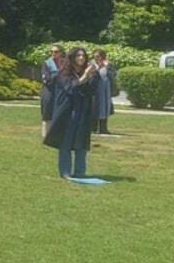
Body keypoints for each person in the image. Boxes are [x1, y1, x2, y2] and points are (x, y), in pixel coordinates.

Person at [44, 47, 99, 178]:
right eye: (78, 56)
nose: (81, 58)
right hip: (68, 111)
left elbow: (92, 90)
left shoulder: (86, 71)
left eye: (83, 56)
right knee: (66, 140)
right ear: (72, 58)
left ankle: (80, 171)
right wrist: (85, 76)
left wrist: (94, 74)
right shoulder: (63, 73)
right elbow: (70, 88)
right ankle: (65, 171)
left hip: (83, 110)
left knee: (81, 140)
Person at [92, 49, 117, 134]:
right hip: (95, 89)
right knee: (94, 107)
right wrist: (97, 68)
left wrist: (106, 67)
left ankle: (103, 128)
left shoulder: (108, 65)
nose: (96, 58)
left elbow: (113, 75)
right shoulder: (92, 64)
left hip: (106, 89)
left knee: (105, 108)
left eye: (98, 56)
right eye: (95, 56)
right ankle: (94, 128)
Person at [40, 45, 63, 137]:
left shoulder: (64, 63)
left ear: (60, 53)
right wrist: (57, 74)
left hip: (61, 91)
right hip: (49, 91)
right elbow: (46, 79)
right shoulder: (47, 63)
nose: (53, 53)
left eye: (56, 52)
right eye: (51, 51)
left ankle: (58, 134)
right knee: (47, 112)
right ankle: (46, 134)